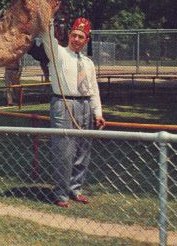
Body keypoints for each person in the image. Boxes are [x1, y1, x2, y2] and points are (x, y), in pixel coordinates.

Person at [41, 16, 106, 208]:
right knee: (64, 150)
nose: (76, 39)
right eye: (74, 35)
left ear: (86, 41)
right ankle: (61, 194)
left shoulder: (88, 63)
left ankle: (75, 189)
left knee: (82, 150)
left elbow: (93, 89)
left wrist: (98, 113)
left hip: (85, 105)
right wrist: (49, 20)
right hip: (64, 103)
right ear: (69, 35)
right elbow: (47, 39)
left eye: (81, 37)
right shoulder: (58, 54)